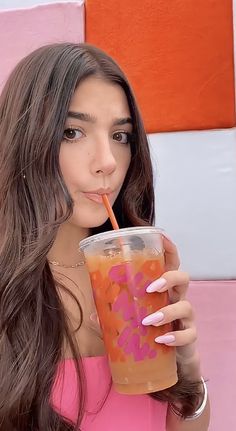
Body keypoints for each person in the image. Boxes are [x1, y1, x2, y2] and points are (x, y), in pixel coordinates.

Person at [0, 42, 210, 431]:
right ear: (26, 140)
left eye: (121, 136)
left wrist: (187, 373)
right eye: (72, 131)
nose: (109, 162)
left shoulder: (141, 275)